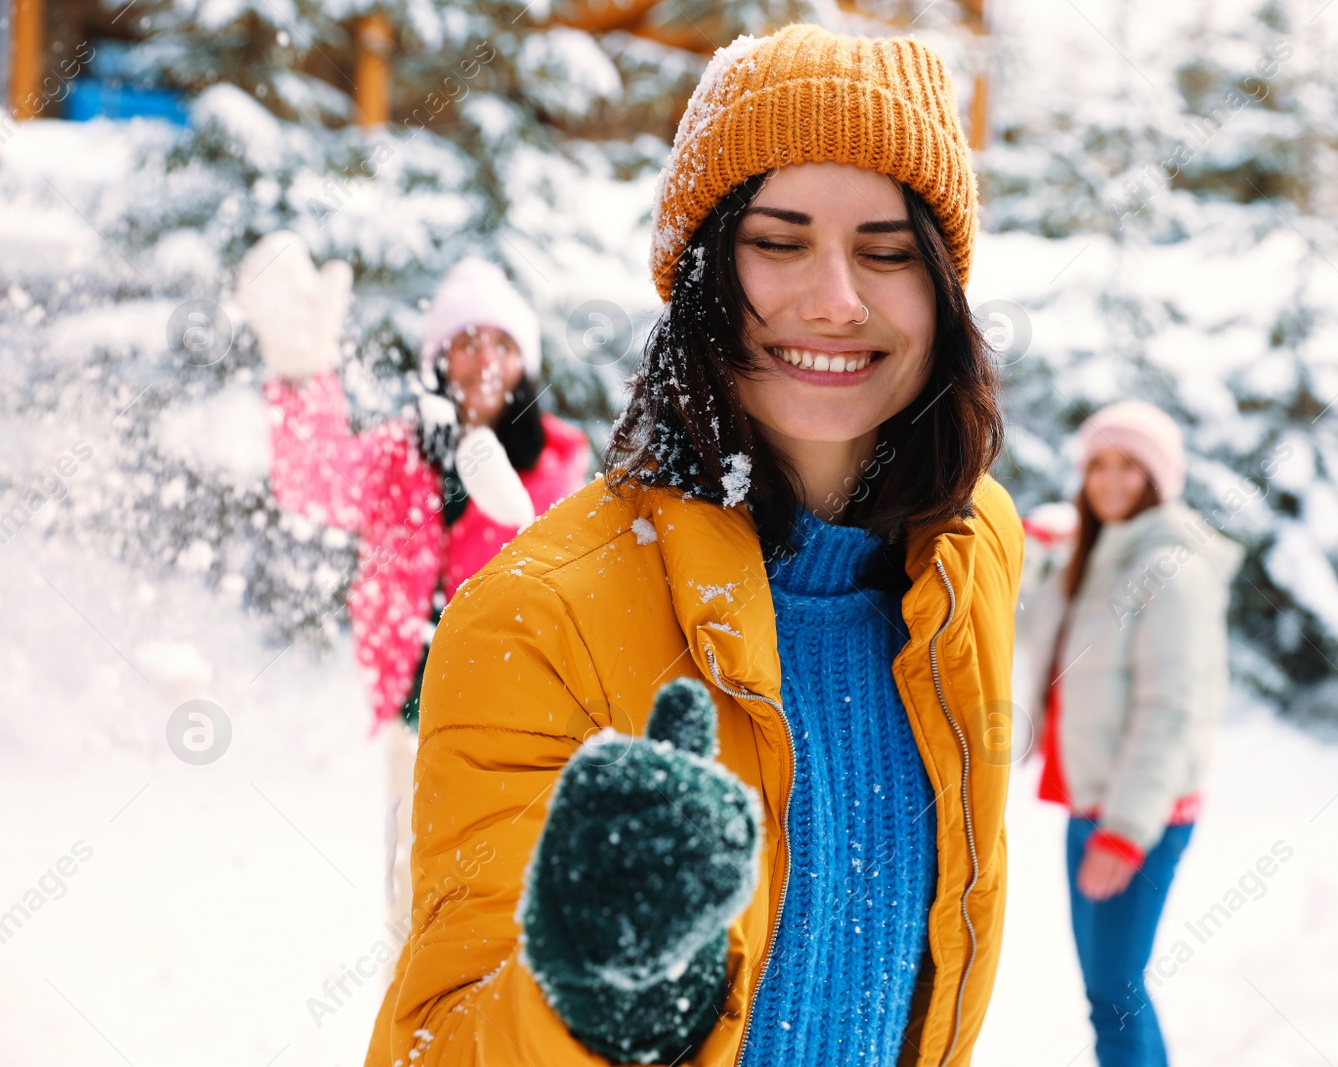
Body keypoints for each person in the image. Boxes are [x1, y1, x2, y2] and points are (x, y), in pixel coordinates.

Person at [363, 23, 1024, 1067]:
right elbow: (437, 1039)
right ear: (704, 274)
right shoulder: (540, 614)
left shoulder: (970, 548)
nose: (837, 299)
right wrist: (594, 995)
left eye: (888, 250)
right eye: (778, 239)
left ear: (940, 290)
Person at [238, 238, 592, 950]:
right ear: (439, 360)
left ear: (524, 362)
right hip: (418, 718)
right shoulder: (401, 455)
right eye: (464, 341)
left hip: (519, 727)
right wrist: (303, 375)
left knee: (503, 914)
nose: (483, 358)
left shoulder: (559, 462)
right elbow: (315, 481)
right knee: (413, 908)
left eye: (500, 342)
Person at [1013, 400, 1243, 1067]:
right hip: (1092, 803)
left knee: (1114, 993)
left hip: (1139, 814)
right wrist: (1030, 549)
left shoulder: (1172, 569)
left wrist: (1124, 829)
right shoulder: (1094, 561)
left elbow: (1171, 709)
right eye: (1098, 466)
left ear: (1159, 479)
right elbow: (1028, 626)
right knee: (1109, 988)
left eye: (1130, 468)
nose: (1111, 482)